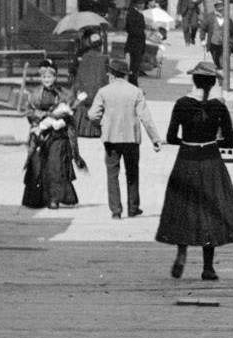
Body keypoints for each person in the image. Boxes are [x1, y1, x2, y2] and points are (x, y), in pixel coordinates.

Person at [156, 58, 233, 281]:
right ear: (212, 83)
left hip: (186, 160)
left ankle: (182, 252)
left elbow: (170, 137)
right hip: (211, 162)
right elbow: (230, 142)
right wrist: (211, 141)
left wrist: (187, 141)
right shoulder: (219, 107)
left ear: (194, 81)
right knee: (210, 212)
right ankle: (208, 267)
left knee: (183, 207)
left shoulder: (181, 104)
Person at [87, 54, 162, 219]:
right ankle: (133, 207)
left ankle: (116, 210)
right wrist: (155, 139)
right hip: (131, 139)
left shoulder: (103, 92)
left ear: (112, 75)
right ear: (126, 74)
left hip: (111, 139)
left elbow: (92, 115)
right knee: (132, 172)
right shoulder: (136, 92)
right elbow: (146, 118)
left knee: (112, 174)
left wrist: (101, 125)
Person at [22, 73, 85, 209]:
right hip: (40, 134)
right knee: (38, 166)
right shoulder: (35, 94)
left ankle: (54, 199)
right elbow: (28, 112)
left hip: (58, 135)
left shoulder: (63, 93)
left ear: (55, 77)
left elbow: (71, 112)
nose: (47, 80)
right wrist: (42, 119)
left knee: (56, 166)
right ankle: (38, 199)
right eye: (44, 77)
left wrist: (63, 121)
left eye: (50, 77)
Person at [72, 31, 111, 137]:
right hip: (98, 92)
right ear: (100, 45)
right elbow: (105, 78)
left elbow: (79, 76)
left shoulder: (85, 57)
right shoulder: (104, 58)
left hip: (85, 92)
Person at [124, 0, 148, 82]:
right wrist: (141, 32)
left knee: (134, 66)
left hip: (135, 43)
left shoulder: (136, 14)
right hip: (136, 44)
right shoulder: (135, 14)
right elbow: (130, 29)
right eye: (141, 3)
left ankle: (133, 83)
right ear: (137, 4)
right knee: (134, 66)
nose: (143, 5)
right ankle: (133, 84)